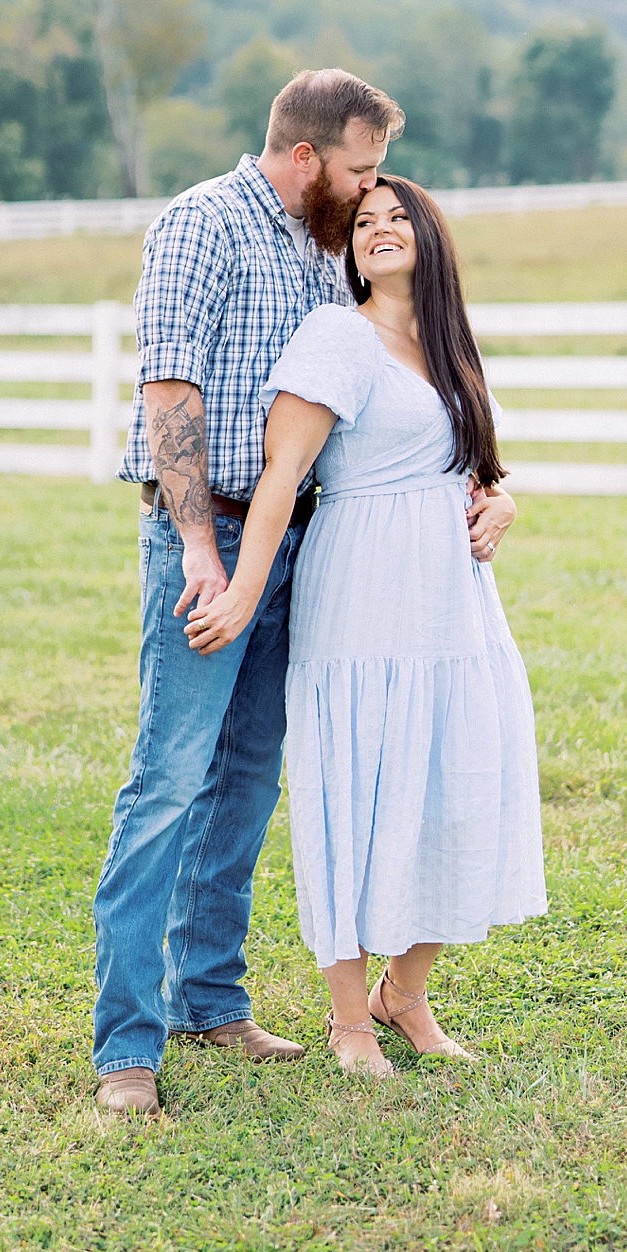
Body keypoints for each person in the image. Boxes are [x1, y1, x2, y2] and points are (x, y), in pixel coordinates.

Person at [92, 69, 407, 1118]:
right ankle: (127, 1047)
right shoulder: (202, 224)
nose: (371, 190)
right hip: (210, 534)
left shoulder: (323, 250)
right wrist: (196, 547)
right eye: (361, 167)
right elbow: (169, 385)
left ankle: (211, 997)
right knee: (168, 783)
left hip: (300, 546)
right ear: (307, 154)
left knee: (248, 782)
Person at [186, 175, 547, 1077]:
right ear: (348, 247)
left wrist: (503, 499)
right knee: (360, 786)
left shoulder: (448, 343)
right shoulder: (339, 335)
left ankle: (405, 993)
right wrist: (241, 587)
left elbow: (466, 461)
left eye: (398, 218)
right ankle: (351, 1016)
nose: (381, 230)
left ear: (429, 236)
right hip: (363, 593)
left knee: (457, 778)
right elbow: (284, 473)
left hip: (454, 604)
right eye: (365, 222)